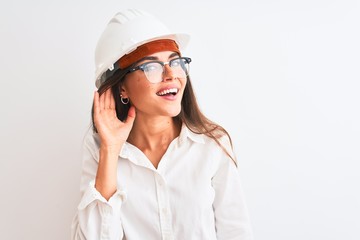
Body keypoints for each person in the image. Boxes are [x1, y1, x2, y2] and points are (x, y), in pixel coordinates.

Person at [71, 9, 253, 240]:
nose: (171, 74)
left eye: (175, 62)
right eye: (151, 66)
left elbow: (236, 232)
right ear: (122, 87)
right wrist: (111, 150)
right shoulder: (98, 148)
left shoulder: (212, 144)